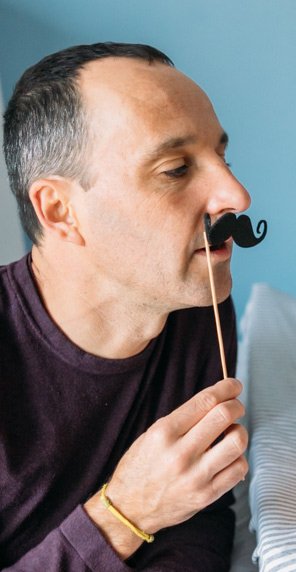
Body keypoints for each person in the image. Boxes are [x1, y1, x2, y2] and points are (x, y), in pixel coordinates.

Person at [1, 42, 250, 569]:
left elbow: (201, 513)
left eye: (222, 157)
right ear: (61, 210)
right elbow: (153, 512)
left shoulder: (197, 303)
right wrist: (125, 512)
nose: (236, 194)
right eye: (176, 169)